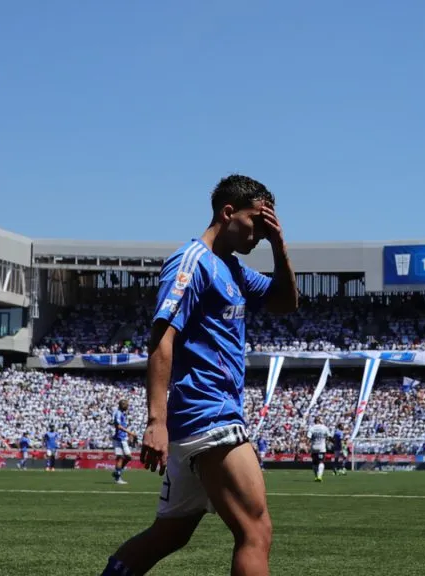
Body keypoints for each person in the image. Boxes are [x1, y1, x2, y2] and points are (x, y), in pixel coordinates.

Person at [100, 174, 297, 576]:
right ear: (228, 213)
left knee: (170, 534)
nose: (260, 234)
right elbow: (161, 339)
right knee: (255, 531)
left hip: (201, 418)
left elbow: (285, 302)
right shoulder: (192, 262)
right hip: (209, 414)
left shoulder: (233, 269)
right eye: (257, 223)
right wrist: (155, 422)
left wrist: (279, 246)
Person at [112, 399, 137, 485]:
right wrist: (130, 433)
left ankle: (117, 472)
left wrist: (129, 435)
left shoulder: (121, 413)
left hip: (122, 438)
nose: (127, 407)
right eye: (126, 405)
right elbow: (118, 425)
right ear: (123, 405)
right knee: (121, 457)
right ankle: (117, 477)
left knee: (127, 457)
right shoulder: (118, 413)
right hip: (119, 438)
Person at [308, 417, 329, 482]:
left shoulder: (312, 428)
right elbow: (328, 436)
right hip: (321, 447)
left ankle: (316, 476)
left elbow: (308, 437)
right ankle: (319, 476)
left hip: (314, 447)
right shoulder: (324, 427)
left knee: (314, 463)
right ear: (320, 420)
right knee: (321, 462)